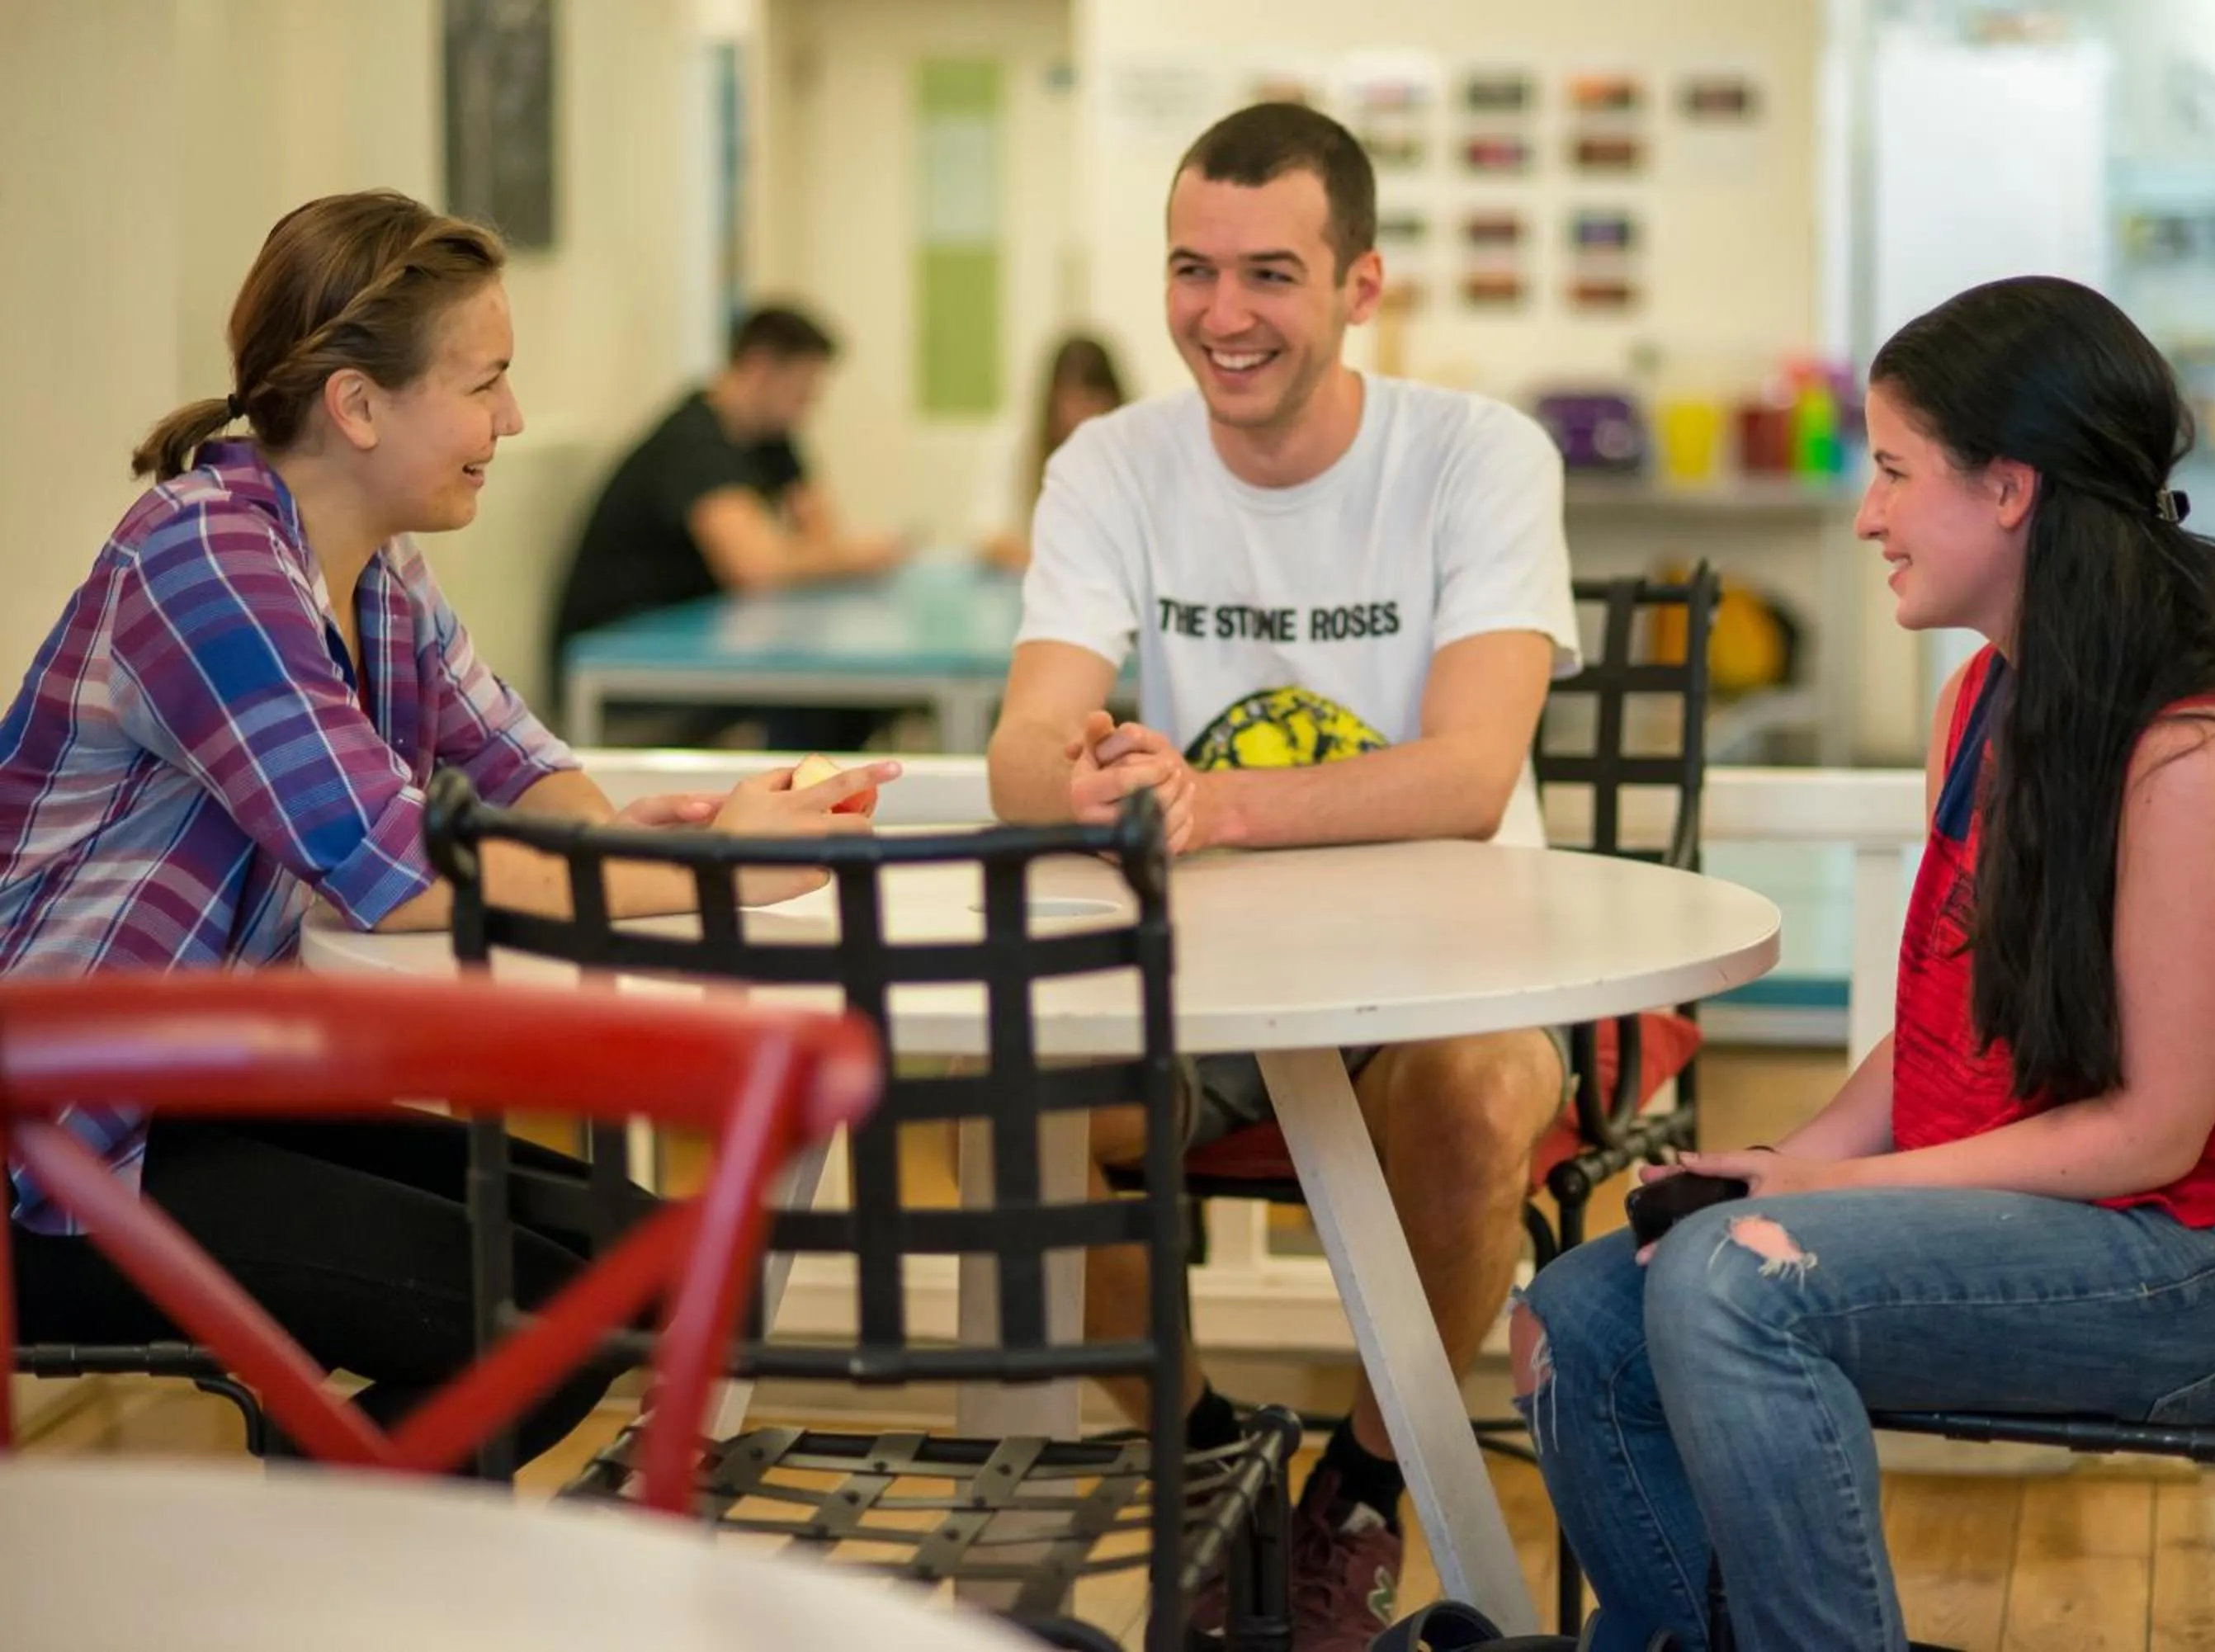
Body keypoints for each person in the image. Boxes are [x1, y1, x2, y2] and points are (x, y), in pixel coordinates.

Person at [1514, 276, 2215, 1652]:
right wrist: (1775, 1169)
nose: (1866, 515)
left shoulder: (2200, 756)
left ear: (2012, 489)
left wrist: (1825, 1195)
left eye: (1896, 472)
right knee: (1575, 1320)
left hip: (2214, 1280)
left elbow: (2155, 1131)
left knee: (1738, 1282)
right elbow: (1945, 1029)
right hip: (2081, 1223)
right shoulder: (1989, 700)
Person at [0, 190, 897, 1466]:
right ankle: (293, 1575)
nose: (514, 421)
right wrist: (715, 866)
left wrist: (636, 848)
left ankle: (316, 1544)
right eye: (488, 384)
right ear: (361, 406)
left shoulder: (377, 570)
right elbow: (391, 864)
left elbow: (529, 770)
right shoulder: (202, 559)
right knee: (539, 1319)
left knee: (644, 1259)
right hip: (63, 1144)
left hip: (197, 1093)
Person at [985, 102, 1580, 1647]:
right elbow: (1021, 748)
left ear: (1361, 284)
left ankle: (1362, 1490)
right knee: (1021, 1102)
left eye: (1270, 273)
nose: (1223, 314)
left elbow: (1468, 777)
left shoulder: (1476, 456)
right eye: (1192, 269)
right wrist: (1088, 771)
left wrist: (1212, 804)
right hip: (1214, 995)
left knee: (1468, 1095)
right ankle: (1213, 1470)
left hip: (1455, 970)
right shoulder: (1106, 462)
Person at [549, 304, 909, 747]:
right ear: (759, 369)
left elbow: (819, 535)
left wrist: (826, 555)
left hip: (702, 651)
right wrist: (853, 555)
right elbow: (758, 568)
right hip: (630, 670)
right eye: (801, 393)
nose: (808, 410)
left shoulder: (772, 438)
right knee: (821, 709)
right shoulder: (694, 442)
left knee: (849, 706)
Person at [973, 333, 1128, 572]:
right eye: (1071, 400)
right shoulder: (1016, 448)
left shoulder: (1132, 455)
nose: (1080, 413)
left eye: (1091, 400)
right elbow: (988, 535)